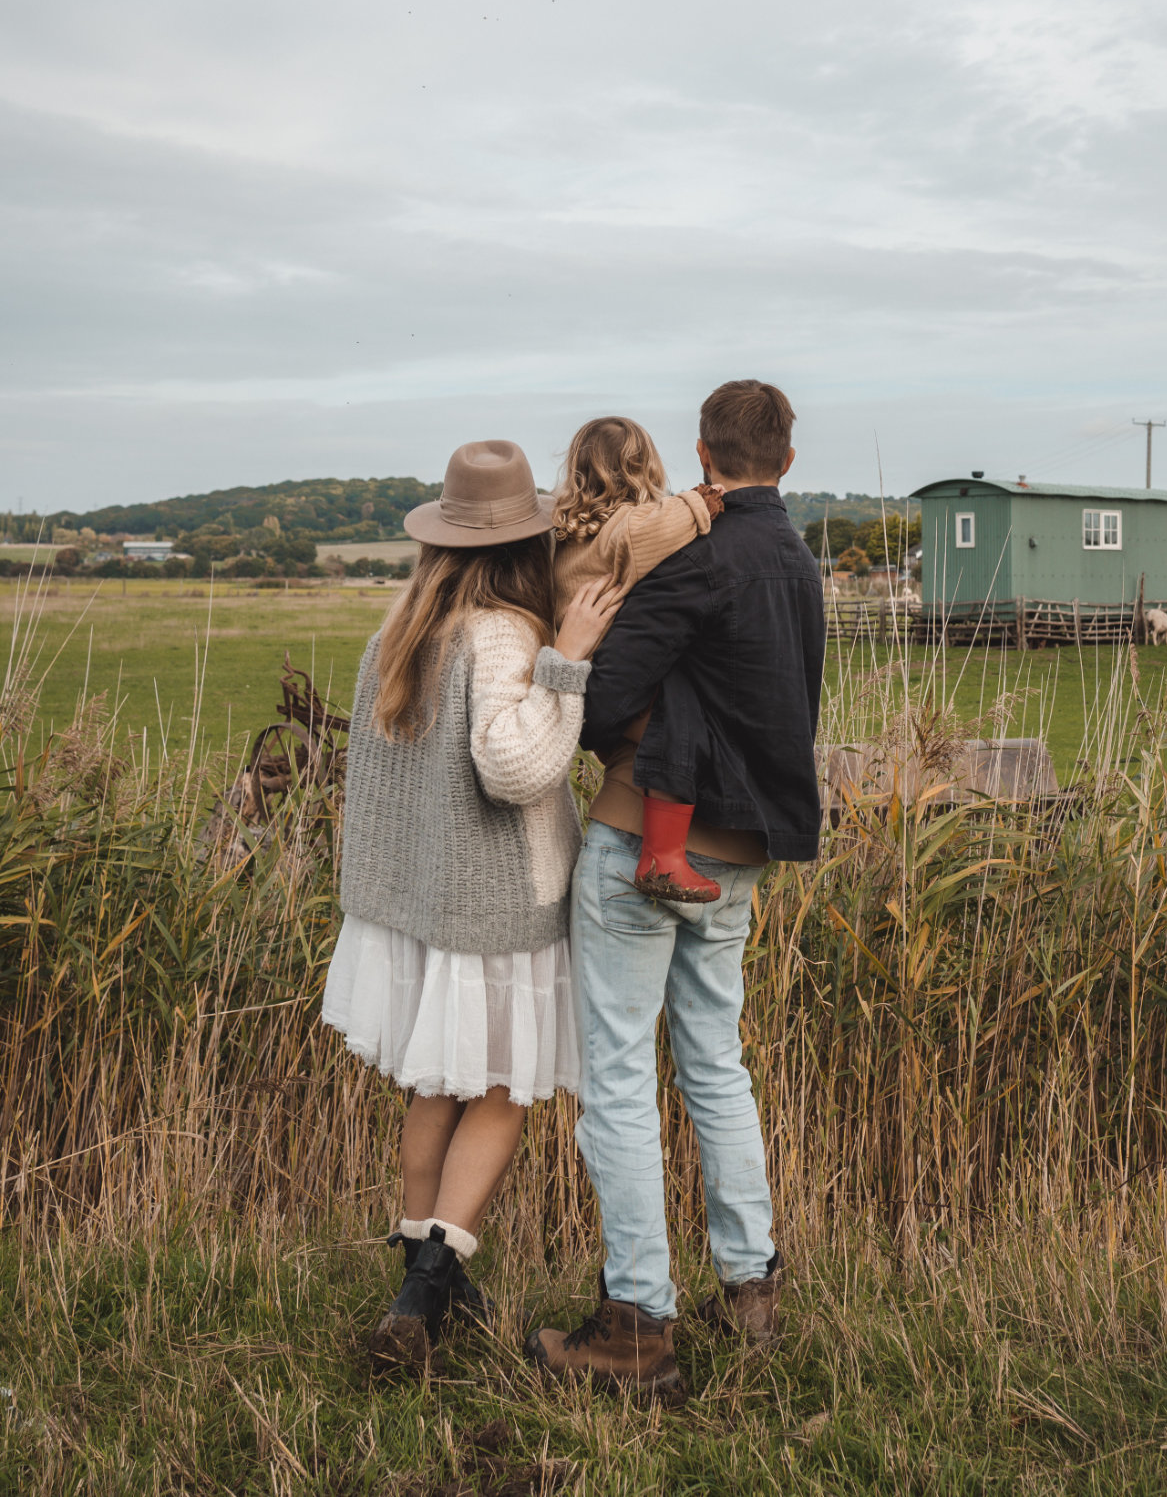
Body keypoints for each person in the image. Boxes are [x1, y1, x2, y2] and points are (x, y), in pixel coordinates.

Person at [527, 380, 826, 1403]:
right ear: (785, 459)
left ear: (705, 452)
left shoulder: (695, 557)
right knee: (714, 1063)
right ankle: (750, 1291)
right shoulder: (794, 559)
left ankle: (637, 1326)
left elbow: (608, 695)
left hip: (640, 839)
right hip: (740, 849)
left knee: (615, 1076)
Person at [321, 438, 621, 1374]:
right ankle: (426, 1287)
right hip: (493, 904)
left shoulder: (400, 627)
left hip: (416, 906)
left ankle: (428, 1281)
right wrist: (566, 660)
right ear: (521, 543)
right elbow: (515, 767)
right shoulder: (499, 633)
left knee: (433, 1089)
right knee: (497, 1093)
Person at [552, 414, 727, 905]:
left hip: (581, 673)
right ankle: (663, 859)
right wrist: (699, 501)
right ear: (641, 468)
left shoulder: (565, 535)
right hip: (618, 676)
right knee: (676, 739)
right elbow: (661, 527)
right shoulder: (624, 528)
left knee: (653, 746)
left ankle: (661, 851)